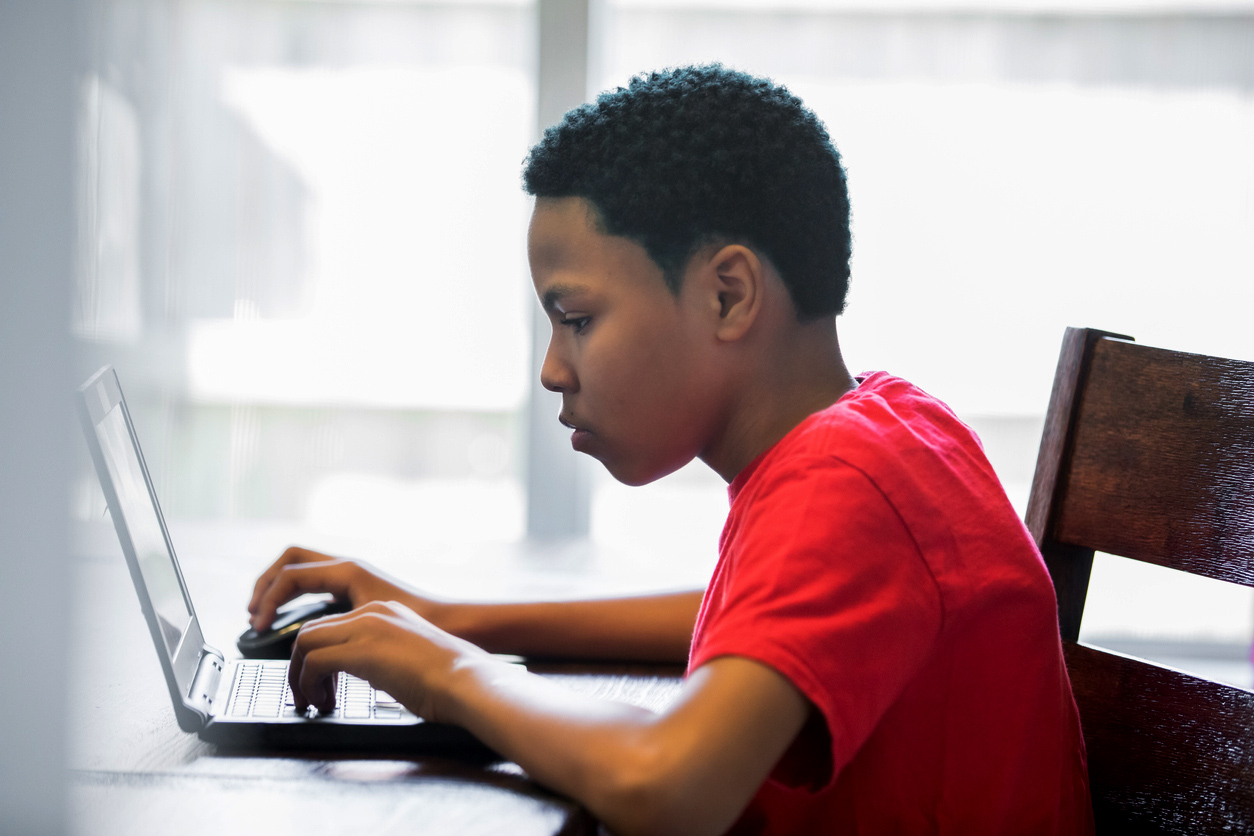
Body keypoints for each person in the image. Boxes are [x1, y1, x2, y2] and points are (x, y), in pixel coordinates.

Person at [246, 65, 1093, 835]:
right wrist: (453, 619)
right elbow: (753, 618)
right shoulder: (893, 426)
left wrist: (452, 675)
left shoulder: (849, 477)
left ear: (728, 295)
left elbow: (668, 787)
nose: (551, 370)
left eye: (576, 319)